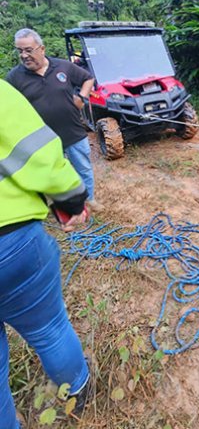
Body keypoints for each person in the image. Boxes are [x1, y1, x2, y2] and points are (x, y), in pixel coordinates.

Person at [0, 79, 93, 426]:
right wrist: (72, 201)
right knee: (49, 327)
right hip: (11, 243)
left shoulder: (61, 69)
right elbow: (39, 156)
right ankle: (79, 389)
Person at [6, 28, 98, 208]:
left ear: (42, 49)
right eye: (20, 51)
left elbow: (88, 79)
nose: (24, 55)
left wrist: (81, 98)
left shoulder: (63, 67)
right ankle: (59, 203)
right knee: (47, 172)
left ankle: (89, 200)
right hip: (41, 139)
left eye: (28, 50)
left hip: (72, 131)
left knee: (83, 168)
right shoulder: (14, 78)